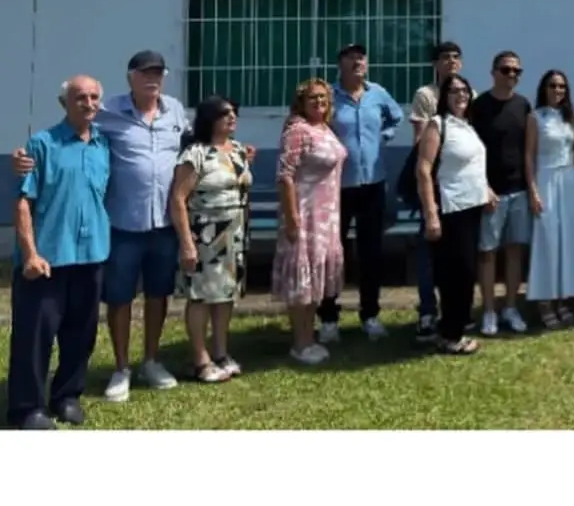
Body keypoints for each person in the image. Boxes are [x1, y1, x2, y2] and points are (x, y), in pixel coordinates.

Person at [13, 50, 193, 403]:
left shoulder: (172, 113)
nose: (89, 103)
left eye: (158, 72)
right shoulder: (100, 116)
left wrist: (233, 148)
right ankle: (118, 369)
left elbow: (197, 142)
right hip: (114, 229)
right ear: (131, 78)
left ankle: (142, 364)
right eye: (145, 73)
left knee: (148, 298)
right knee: (115, 299)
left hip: (149, 229)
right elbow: (30, 189)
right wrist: (22, 158)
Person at [5, 76, 110, 430]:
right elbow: (23, 202)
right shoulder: (42, 144)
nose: (89, 103)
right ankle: (27, 408)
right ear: (64, 102)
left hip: (91, 255)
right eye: (80, 97)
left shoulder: (103, 143)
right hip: (46, 259)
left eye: (94, 97)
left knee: (81, 334)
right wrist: (30, 254)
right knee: (34, 337)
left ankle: (67, 396)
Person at [317, 43, 403, 345]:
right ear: (340, 63)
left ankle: (370, 315)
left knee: (371, 253)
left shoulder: (377, 93)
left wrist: (384, 135)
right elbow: (313, 124)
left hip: (373, 185)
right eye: (351, 57)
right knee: (333, 255)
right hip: (337, 187)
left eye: (361, 57)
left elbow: (396, 117)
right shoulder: (328, 96)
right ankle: (329, 318)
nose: (358, 61)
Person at [169, 96, 252, 383]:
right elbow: (178, 199)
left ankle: (221, 352)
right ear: (209, 119)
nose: (232, 117)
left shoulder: (238, 150)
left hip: (234, 236)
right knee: (202, 297)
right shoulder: (196, 154)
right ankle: (200, 359)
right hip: (205, 236)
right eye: (224, 114)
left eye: (234, 112)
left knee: (225, 295)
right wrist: (186, 243)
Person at [416, 73, 497, 355]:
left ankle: (453, 327)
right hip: (450, 210)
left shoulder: (467, 126)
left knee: (466, 272)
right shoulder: (437, 125)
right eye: (454, 91)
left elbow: (472, 164)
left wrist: (486, 189)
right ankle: (451, 335)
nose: (461, 95)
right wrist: (431, 213)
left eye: (464, 90)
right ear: (444, 96)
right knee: (455, 274)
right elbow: (423, 170)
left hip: (472, 208)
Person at [272, 79, 347, 365]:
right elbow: (285, 176)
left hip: (327, 216)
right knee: (301, 282)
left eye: (324, 98)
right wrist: (292, 217)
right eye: (313, 98)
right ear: (301, 103)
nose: (319, 102)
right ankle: (300, 342)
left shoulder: (325, 128)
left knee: (315, 279)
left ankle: (310, 336)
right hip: (304, 214)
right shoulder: (297, 131)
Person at [409, 41, 473, 342]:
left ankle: (457, 313)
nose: (451, 62)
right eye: (445, 57)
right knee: (430, 253)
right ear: (436, 64)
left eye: (456, 57)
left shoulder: (468, 95)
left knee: (457, 258)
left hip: (461, 191)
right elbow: (421, 145)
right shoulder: (427, 95)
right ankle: (427, 311)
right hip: (434, 185)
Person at [471, 51, 533, 337]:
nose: (512, 75)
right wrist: (483, 186)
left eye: (516, 71)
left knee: (515, 251)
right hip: (490, 193)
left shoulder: (523, 105)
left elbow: (528, 150)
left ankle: (510, 307)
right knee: (487, 253)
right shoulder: (480, 106)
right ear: (493, 72)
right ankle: (488, 311)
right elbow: (472, 151)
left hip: (519, 190)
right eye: (506, 70)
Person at [524, 69, 574, 327]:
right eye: (553, 86)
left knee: (569, 240)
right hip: (546, 179)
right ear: (544, 88)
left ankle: (563, 297)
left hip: (570, 180)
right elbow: (529, 156)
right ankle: (545, 301)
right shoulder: (535, 117)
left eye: (562, 86)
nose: (557, 90)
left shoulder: (570, 117)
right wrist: (533, 190)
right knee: (548, 239)